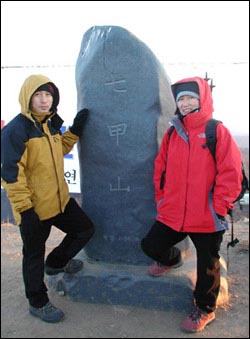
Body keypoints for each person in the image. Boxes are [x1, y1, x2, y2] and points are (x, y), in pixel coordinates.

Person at [141, 76, 243, 333]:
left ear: (202, 99)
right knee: (151, 246)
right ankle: (171, 259)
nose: (185, 103)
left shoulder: (216, 130)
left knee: (207, 265)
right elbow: (160, 170)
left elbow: (231, 173)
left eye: (190, 98)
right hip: (174, 211)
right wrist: (162, 200)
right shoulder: (173, 133)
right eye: (181, 99)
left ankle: (205, 309)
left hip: (206, 214)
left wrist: (218, 207)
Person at [1, 74, 95, 323]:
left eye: (48, 95)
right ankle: (37, 301)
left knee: (85, 229)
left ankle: (55, 262)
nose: (44, 100)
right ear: (27, 97)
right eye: (39, 95)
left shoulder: (49, 125)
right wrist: (26, 210)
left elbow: (59, 148)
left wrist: (74, 130)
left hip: (60, 201)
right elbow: (11, 174)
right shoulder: (16, 130)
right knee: (33, 256)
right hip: (34, 208)